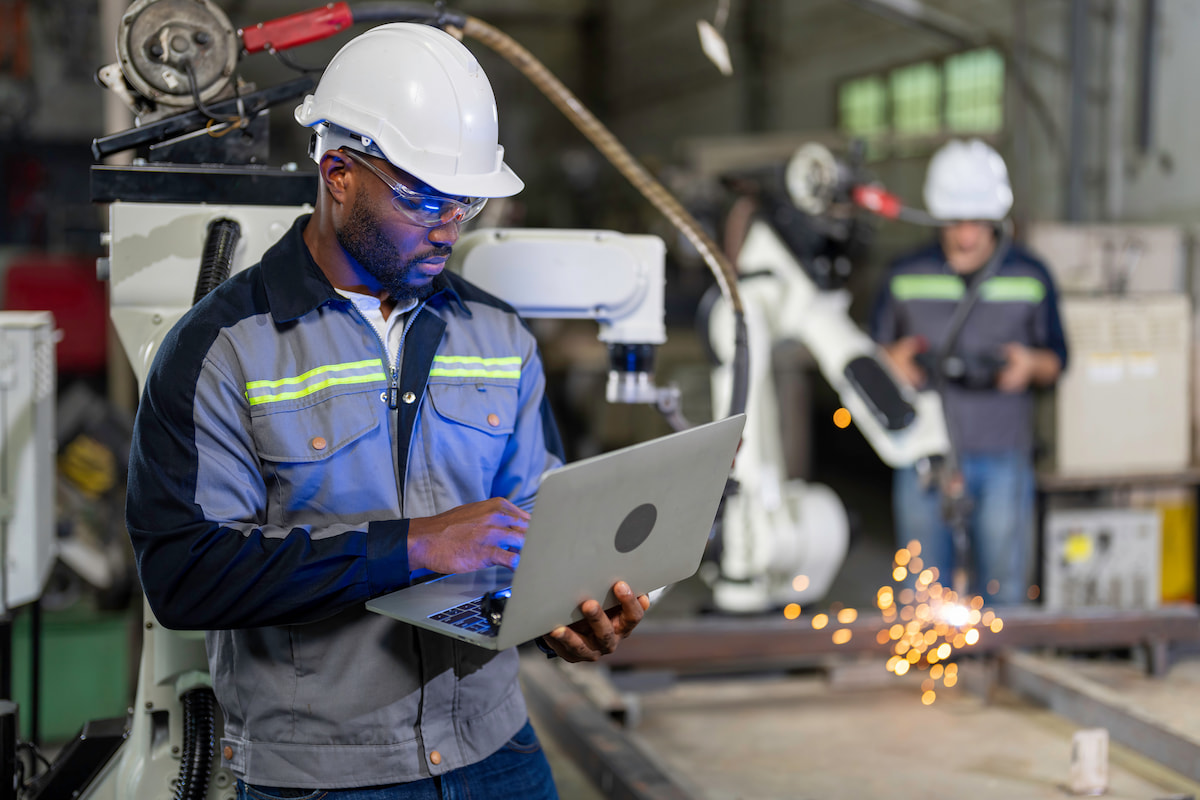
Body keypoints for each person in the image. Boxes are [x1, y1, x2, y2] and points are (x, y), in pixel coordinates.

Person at [125, 23, 649, 799]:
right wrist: (411, 548)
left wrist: (566, 616)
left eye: (465, 201)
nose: (448, 226)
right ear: (338, 172)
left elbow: (533, 530)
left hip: (496, 750)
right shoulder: (223, 350)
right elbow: (185, 576)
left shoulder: (499, 336)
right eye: (424, 198)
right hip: (325, 775)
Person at [869, 138, 1068, 605]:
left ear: (996, 217)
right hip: (922, 454)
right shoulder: (903, 274)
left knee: (1004, 587)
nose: (966, 235)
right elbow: (868, 356)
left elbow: (1059, 358)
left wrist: (1029, 365)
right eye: (955, 221)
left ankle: (1000, 670)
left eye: (977, 221)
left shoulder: (1031, 273)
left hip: (1003, 453)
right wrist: (891, 362)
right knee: (921, 594)